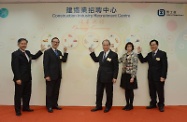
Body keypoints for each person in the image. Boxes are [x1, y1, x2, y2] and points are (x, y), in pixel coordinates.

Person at [11, 38, 45, 116]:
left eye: (25, 43)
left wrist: (41, 50)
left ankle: (26, 107)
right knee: (18, 95)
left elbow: (34, 57)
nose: (24, 45)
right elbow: (14, 67)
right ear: (18, 44)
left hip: (28, 77)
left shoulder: (27, 52)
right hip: (20, 78)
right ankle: (18, 110)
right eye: (22, 43)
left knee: (27, 94)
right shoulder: (15, 54)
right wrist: (17, 78)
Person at [137, 39, 168, 112]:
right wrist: (139, 53)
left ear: (157, 45)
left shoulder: (162, 53)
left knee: (160, 92)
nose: (153, 46)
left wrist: (163, 76)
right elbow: (143, 60)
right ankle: (153, 103)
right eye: (151, 45)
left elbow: (165, 66)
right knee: (152, 91)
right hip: (150, 76)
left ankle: (161, 105)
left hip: (159, 77)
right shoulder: (149, 54)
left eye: (154, 44)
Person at [89, 39, 119, 113]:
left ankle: (108, 106)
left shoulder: (114, 54)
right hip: (100, 76)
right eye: (104, 45)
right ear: (102, 46)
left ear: (109, 45)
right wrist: (92, 52)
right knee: (99, 92)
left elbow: (116, 67)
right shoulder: (101, 53)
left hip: (109, 77)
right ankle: (98, 106)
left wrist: (115, 77)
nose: (105, 46)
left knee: (109, 93)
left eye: (107, 45)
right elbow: (96, 60)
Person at [43, 37, 68, 113]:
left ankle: (54, 105)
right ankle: (49, 106)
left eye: (57, 42)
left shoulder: (59, 52)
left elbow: (64, 60)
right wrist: (46, 75)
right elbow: (45, 64)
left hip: (58, 75)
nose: (55, 43)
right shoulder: (47, 52)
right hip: (50, 76)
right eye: (54, 42)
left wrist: (65, 52)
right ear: (51, 42)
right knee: (49, 92)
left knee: (56, 91)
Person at [119, 42, 138, 111]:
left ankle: (131, 105)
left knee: (130, 90)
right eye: (127, 46)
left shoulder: (134, 55)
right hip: (124, 74)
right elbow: (119, 61)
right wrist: (114, 53)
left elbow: (135, 66)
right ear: (126, 47)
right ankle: (127, 104)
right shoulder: (124, 55)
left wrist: (133, 77)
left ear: (132, 47)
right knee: (126, 90)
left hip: (130, 74)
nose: (128, 48)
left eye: (130, 46)